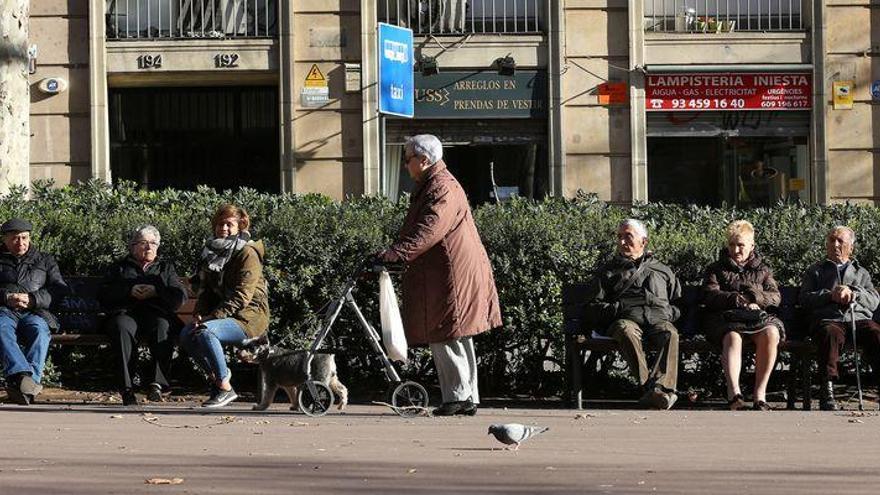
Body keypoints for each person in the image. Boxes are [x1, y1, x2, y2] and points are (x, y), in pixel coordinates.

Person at [379, 134, 502, 417]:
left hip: (451, 272)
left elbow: (429, 228)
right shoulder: (436, 184)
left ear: (423, 160)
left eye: (407, 159)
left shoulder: (441, 187)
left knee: (446, 329)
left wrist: (396, 253)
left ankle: (458, 397)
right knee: (455, 330)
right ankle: (466, 396)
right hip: (450, 269)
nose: (405, 165)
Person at [179, 204, 270, 408]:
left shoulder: (248, 253)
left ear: (241, 225)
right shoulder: (211, 252)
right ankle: (219, 377)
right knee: (187, 333)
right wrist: (199, 315)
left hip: (249, 317)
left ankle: (224, 388)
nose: (224, 229)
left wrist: (212, 318)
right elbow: (206, 291)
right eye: (220, 224)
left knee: (205, 333)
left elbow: (242, 296)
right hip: (223, 316)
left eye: (229, 224)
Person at [584, 219, 681, 410]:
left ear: (643, 242)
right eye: (619, 237)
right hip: (626, 320)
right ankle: (651, 391)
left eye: (627, 236)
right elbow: (592, 308)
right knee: (625, 329)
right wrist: (620, 307)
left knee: (670, 333)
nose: (621, 242)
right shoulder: (608, 271)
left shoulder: (662, 270)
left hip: (657, 320)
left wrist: (669, 312)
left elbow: (677, 303)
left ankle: (660, 388)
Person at [700, 220, 784, 411]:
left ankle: (759, 395)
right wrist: (736, 300)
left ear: (752, 246)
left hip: (756, 319)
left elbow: (775, 296)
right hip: (727, 319)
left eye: (741, 245)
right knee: (732, 337)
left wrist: (756, 299)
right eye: (732, 245)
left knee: (771, 333)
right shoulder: (715, 269)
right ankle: (734, 394)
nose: (736, 250)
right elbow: (710, 295)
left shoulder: (763, 270)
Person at [99, 225, 187, 406]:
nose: (149, 247)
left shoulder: (165, 268)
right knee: (122, 327)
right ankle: (127, 387)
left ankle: (157, 384)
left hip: (155, 313)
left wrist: (156, 291)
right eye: (143, 243)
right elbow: (103, 295)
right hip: (126, 312)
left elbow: (179, 297)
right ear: (132, 246)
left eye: (153, 243)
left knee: (164, 326)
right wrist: (129, 291)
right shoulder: (119, 267)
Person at [800, 226, 880, 411]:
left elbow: (874, 300)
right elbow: (804, 299)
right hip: (830, 319)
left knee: (876, 333)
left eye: (840, 241)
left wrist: (854, 293)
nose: (834, 244)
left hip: (857, 319)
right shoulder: (815, 271)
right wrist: (830, 295)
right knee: (830, 334)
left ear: (850, 247)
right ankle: (827, 388)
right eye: (831, 240)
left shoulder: (861, 272)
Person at [0, 218, 69, 405]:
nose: (20, 243)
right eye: (15, 238)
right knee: (1, 328)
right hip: (5, 310)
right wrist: (6, 297)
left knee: (39, 331)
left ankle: (23, 385)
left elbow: (59, 290)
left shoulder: (45, 260)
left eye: (24, 238)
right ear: (5, 239)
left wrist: (33, 300)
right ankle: (26, 379)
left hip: (36, 312)